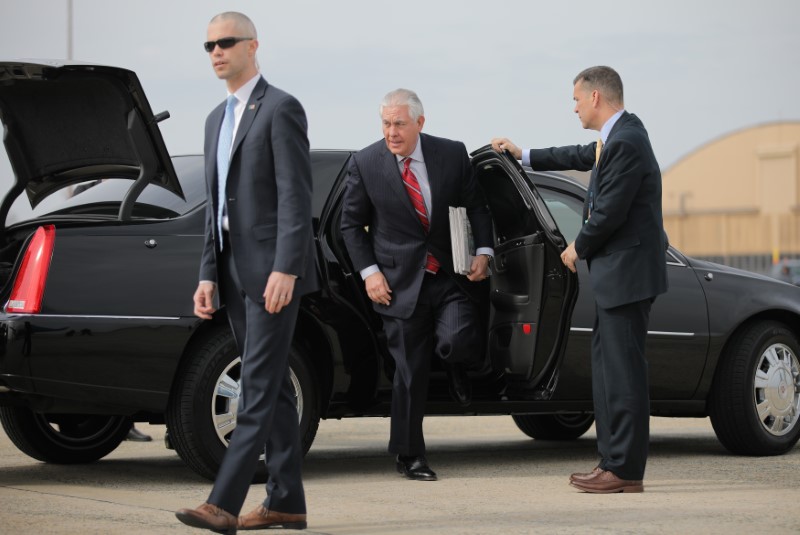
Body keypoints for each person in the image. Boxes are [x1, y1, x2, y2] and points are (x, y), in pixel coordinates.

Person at [491, 66, 668, 494]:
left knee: (622, 375)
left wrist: (577, 246)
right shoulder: (618, 136)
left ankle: (624, 470)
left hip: (626, 277)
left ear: (594, 97)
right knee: (608, 373)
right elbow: (575, 155)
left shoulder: (626, 141)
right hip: (618, 278)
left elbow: (609, 210)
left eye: (575, 99)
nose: (573, 107)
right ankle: (613, 463)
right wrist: (524, 154)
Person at [175, 11, 316, 532]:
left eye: (226, 42)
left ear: (253, 46)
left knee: (256, 383)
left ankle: (224, 502)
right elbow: (217, 207)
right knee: (274, 386)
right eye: (208, 44)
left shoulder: (280, 109)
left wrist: (287, 267)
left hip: (272, 274)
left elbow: (296, 200)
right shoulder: (216, 119)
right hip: (232, 270)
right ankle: (287, 502)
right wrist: (207, 273)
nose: (216, 51)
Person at [341, 89, 494, 481]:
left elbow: (476, 205)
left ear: (419, 124)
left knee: (459, 340)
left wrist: (484, 250)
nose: (391, 132)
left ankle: (456, 365)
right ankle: (409, 455)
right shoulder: (366, 162)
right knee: (409, 373)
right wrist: (369, 273)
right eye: (386, 124)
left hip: (447, 275)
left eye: (399, 124)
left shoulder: (452, 154)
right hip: (396, 283)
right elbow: (350, 226)